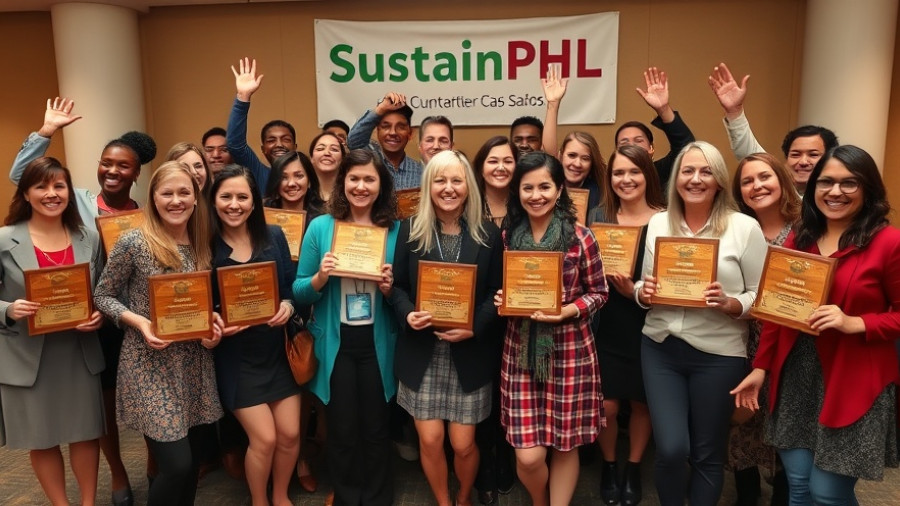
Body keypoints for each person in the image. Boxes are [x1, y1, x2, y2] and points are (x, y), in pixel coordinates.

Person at [731, 145, 900, 505]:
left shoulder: (888, 242)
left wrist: (857, 322)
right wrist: (761, 367)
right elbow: (778, 313)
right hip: (796, 378)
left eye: (848, 183)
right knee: (799, 485)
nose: (835, 192)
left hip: (853, 380)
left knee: (827, 495)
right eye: (826, 183)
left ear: (868, 188)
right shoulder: (801, 236)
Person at [10, 97, 157, 506]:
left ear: (136, 172)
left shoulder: (146, 214)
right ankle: (118, 474)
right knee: (100, 405)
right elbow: (25, 177)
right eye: (105, 162)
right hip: (71, 322)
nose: (112, 171)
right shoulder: (79, 201)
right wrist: (46, 132)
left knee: (122, 403)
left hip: (123, 317)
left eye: (122, 165)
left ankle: (150, 461)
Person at [634, 141, 767, 505]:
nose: (696, 179)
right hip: (661, 349)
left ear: (720, 180)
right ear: (676, 178)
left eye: (706, 171)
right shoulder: (658, 222)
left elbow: (760, 294)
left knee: (708, 452)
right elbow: (643, 284)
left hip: (719, 355)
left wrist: (732, 303)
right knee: (673, 447)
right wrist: (641, 294)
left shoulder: (744, 228)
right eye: (688, 171)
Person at [94, 162, 223, 506]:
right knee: (176, 465)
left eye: (184, 192)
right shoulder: (134, 241)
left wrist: (211, 327)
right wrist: (140, 323)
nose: (176, 200)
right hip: (150, 364)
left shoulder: (203, 241)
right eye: (167, 193)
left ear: (196, 197)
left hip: (194, 364)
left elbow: (203, 302)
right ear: (153, 197)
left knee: (192, 463)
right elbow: (102, 295)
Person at [390, 150, 503, 506]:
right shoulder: (410, 230)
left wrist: (474, 327)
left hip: (468, 353)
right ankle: (443, 501)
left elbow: (495, 292)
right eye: (440, 180)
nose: (449, 188)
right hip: (422, 353)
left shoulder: (487, 233)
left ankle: (464, 497)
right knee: (429, 440)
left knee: (463, 444)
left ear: (468, 186)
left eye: (456, 180)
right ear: (428, 186)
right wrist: (407, 313)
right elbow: (396, 288)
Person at [496, 152, 608, 506]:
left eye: (545, 186)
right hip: (521, 352)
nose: (536, 195)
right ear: (517, 192)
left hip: (571, 349)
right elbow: (503, 290)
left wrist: (568, 310)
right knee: (528, 456)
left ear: (560, 190)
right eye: (527, 188)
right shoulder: (508, 237)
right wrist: (503, 298)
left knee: (564, 442)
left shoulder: (581, 237)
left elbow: (599, 293)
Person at [293, 149, 399, 505]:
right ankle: (349, 497)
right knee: (341, 428)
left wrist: (389, 288)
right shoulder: (321, 227)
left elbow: (407, 292)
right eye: (354, 178)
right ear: (343, 183)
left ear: (381, 183)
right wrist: (321, 277)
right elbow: (298, 289)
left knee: (375, 426)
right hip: (335, 341)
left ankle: (378, 497)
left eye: (369, 179)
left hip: (376, 340)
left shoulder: (395, 229)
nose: (361, 186)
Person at [0, 157, 105, 506]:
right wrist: (8, 310)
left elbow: (103, 293)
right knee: (41, 437)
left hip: (78, 350)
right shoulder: (3, 240)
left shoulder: (89, 238)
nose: (51, 193)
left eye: (59, 186)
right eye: (41, 186)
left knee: (85, 433)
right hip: (28, 356)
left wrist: (99, 316)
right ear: (26, 193)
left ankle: (88, 503)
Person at [208, 165, 301, 506]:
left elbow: (292, 288)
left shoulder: (274, 235)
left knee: (290, 435)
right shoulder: (204, 246)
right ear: (213, 201)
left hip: (276, 352)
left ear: (254, 202)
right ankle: (259, 500)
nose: (235, 204)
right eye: (226, 197)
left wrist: (289, 307)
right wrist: (215, 323)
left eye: (243, 197)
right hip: (236, 359)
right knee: (264, 439)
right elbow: (200, 308)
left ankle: (280, 495)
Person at [587, 145, 665, 506]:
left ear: (647, 174)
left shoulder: (666, 220)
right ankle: (609, 463)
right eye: (618, 173)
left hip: (650, 322)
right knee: (607, 406)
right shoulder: (597, 217)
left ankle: (633, 467)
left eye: (634, 171)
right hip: (606, 322)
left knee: (642, 403)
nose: (626, 179)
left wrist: (638, 289)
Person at [727, 152, 799, 506]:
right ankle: (747, 493)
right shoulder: (735, 229)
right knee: (744, 417)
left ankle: (783, 493)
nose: (757, 186)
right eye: (747, 181)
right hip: (743, 337)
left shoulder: (805, 230)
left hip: (792, 341)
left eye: (764, 177)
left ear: (781, 181)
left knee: (785, 416)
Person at [708, 62, 839, 194]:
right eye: (795, 154)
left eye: (813, 154)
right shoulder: (781, 193)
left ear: (831, 158)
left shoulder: (837, 196)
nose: (803, 161)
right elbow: (753, 155)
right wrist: (734, 112)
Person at [613, 67, 695, 189]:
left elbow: (686, 147)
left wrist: (664, 110)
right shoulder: (610, 180)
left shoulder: (660, 172)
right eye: (624, 142)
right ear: (616, 151)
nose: (632, 146)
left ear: (651, 148)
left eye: (638, 140)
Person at [541, 64, 607, 211]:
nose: (577, 163)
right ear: (560, 155)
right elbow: (548, 154)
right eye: (571, 155)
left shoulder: (602, 190)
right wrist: (553, 104)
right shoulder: (550, 184)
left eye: (585, 158)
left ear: (592, 164)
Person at [227, 57, 299, 189]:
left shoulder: (307, 176)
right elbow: (235, 146)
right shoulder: (258, 173)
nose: (279, 144)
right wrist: (243, 97)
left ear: (295, 147)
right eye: (271, 140)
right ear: (263, 149)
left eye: (286, 139)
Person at [347, 91, 422, 190]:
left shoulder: (420, 172)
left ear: (410, 133)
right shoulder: (370, 161)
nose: (393, 132)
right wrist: (381, 109)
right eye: (386, 126)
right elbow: (353, 142)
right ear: (378, 130)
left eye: (400, 127)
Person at [472, 136, 518, 228]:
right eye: (493, 162)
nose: (501, 167)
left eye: (508, 161)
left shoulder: (524, 205)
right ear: (481, 167)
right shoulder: (468, 205)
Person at [308, 131, 346, 202]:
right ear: (311, 158)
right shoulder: (302, 194)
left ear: (342, 158)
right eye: (320, 149)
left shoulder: (350, 194)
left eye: (334, 149)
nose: (327, 153)